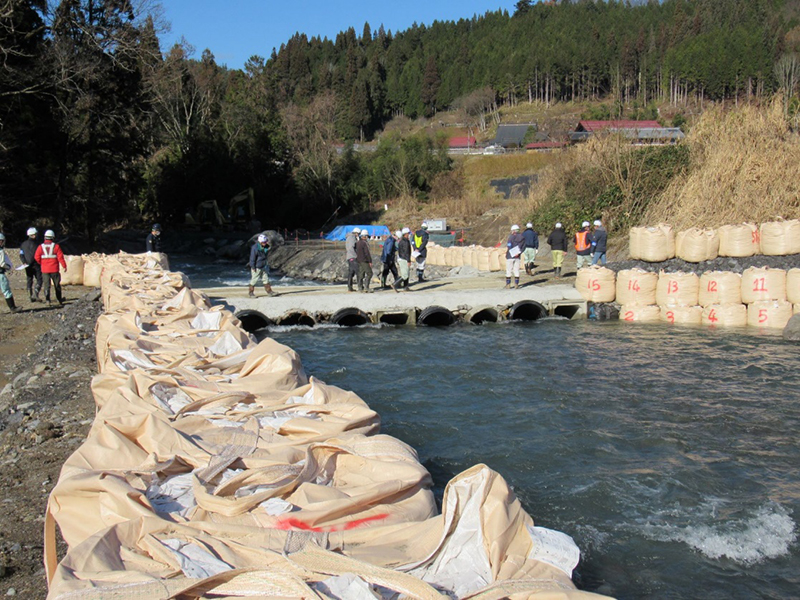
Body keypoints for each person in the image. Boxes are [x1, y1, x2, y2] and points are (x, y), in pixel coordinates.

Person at [34, 229, 66, 305]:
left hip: (45, 269)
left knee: (46, 286)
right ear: (53, 238)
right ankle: (59, 300)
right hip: (54, 269)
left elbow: (36, 257)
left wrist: (42, 263)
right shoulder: (56, 246)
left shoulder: (40, 247)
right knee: (57, 285)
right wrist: (64, 266)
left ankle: (48, 300)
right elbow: (60, 257)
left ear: (45, 237)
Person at [19, 227, 42, 302]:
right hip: (36, 264)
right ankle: (36, 294)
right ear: (33, 235)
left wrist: (24, 262)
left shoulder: (23, 244)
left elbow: (21, 254)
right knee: (39, 280)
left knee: (29, 280)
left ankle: (30, 296)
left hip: (27, 265)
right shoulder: (37, 244)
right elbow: (38, 255)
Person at [0, 233, 21, 313]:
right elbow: (2, 264)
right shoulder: (1, 251)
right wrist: (8, 267)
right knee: (6, 291)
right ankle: (13, 308)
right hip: (0, 274)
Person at [505, 224, 526, 289]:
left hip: (510, 256)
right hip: (517, 256)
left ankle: (508, 284)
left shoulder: (510, 237)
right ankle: (516, 284)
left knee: (509, 270)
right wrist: (518, 253)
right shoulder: (522, 237)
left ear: (513, 231)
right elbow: (524, 247)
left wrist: (512, 252)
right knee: (516, 270)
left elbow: (509, 245)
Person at [393, 227, 412, 292]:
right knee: (405, 275)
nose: (409, 234)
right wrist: (408, 260)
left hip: (401, 258)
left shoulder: (401, 241)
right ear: (406, 234)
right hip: (404, 259)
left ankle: (406, 287)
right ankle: (395, 284)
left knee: (406, 273)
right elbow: (406, 252)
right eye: (408, 233)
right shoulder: (405, 242)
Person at [345, 227, 360, 292]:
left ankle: (350, 287)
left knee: (351, 272)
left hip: (349, 256)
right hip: (353, 257)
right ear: (356, 233)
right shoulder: (352, 237)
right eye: (358, 234)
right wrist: (356, 255)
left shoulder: (348, 237)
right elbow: (352, 247)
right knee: (358, 272)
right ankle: (360, 287)